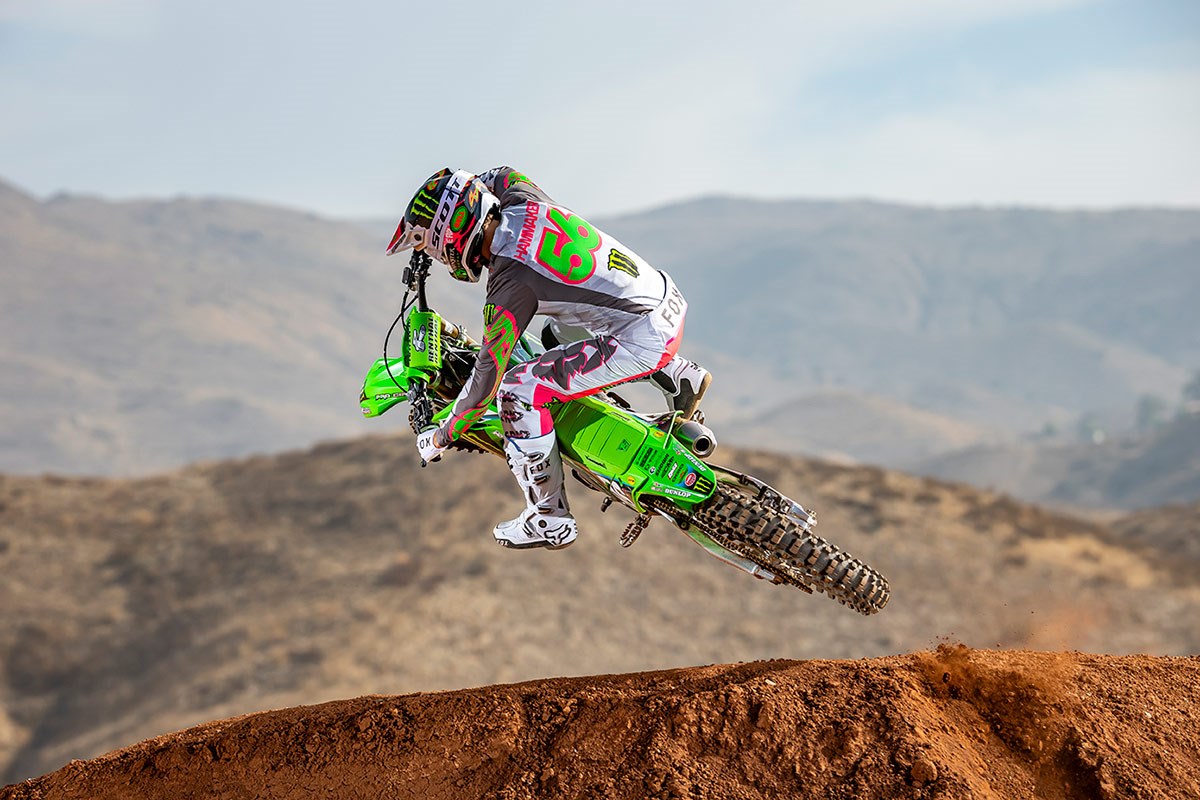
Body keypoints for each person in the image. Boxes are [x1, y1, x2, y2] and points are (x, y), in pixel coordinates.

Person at [386, 167, 710, 550]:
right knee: (555, 333)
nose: (438, 259)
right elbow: (498, 174)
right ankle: (678, 375)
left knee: (516, 390)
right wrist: (457, 191)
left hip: (643, 339)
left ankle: (549, 517)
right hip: (662, 298)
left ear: (450, 238)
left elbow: (485, 381)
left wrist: (441, 436)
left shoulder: (511, 284)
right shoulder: (520, 197)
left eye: (432, 250)